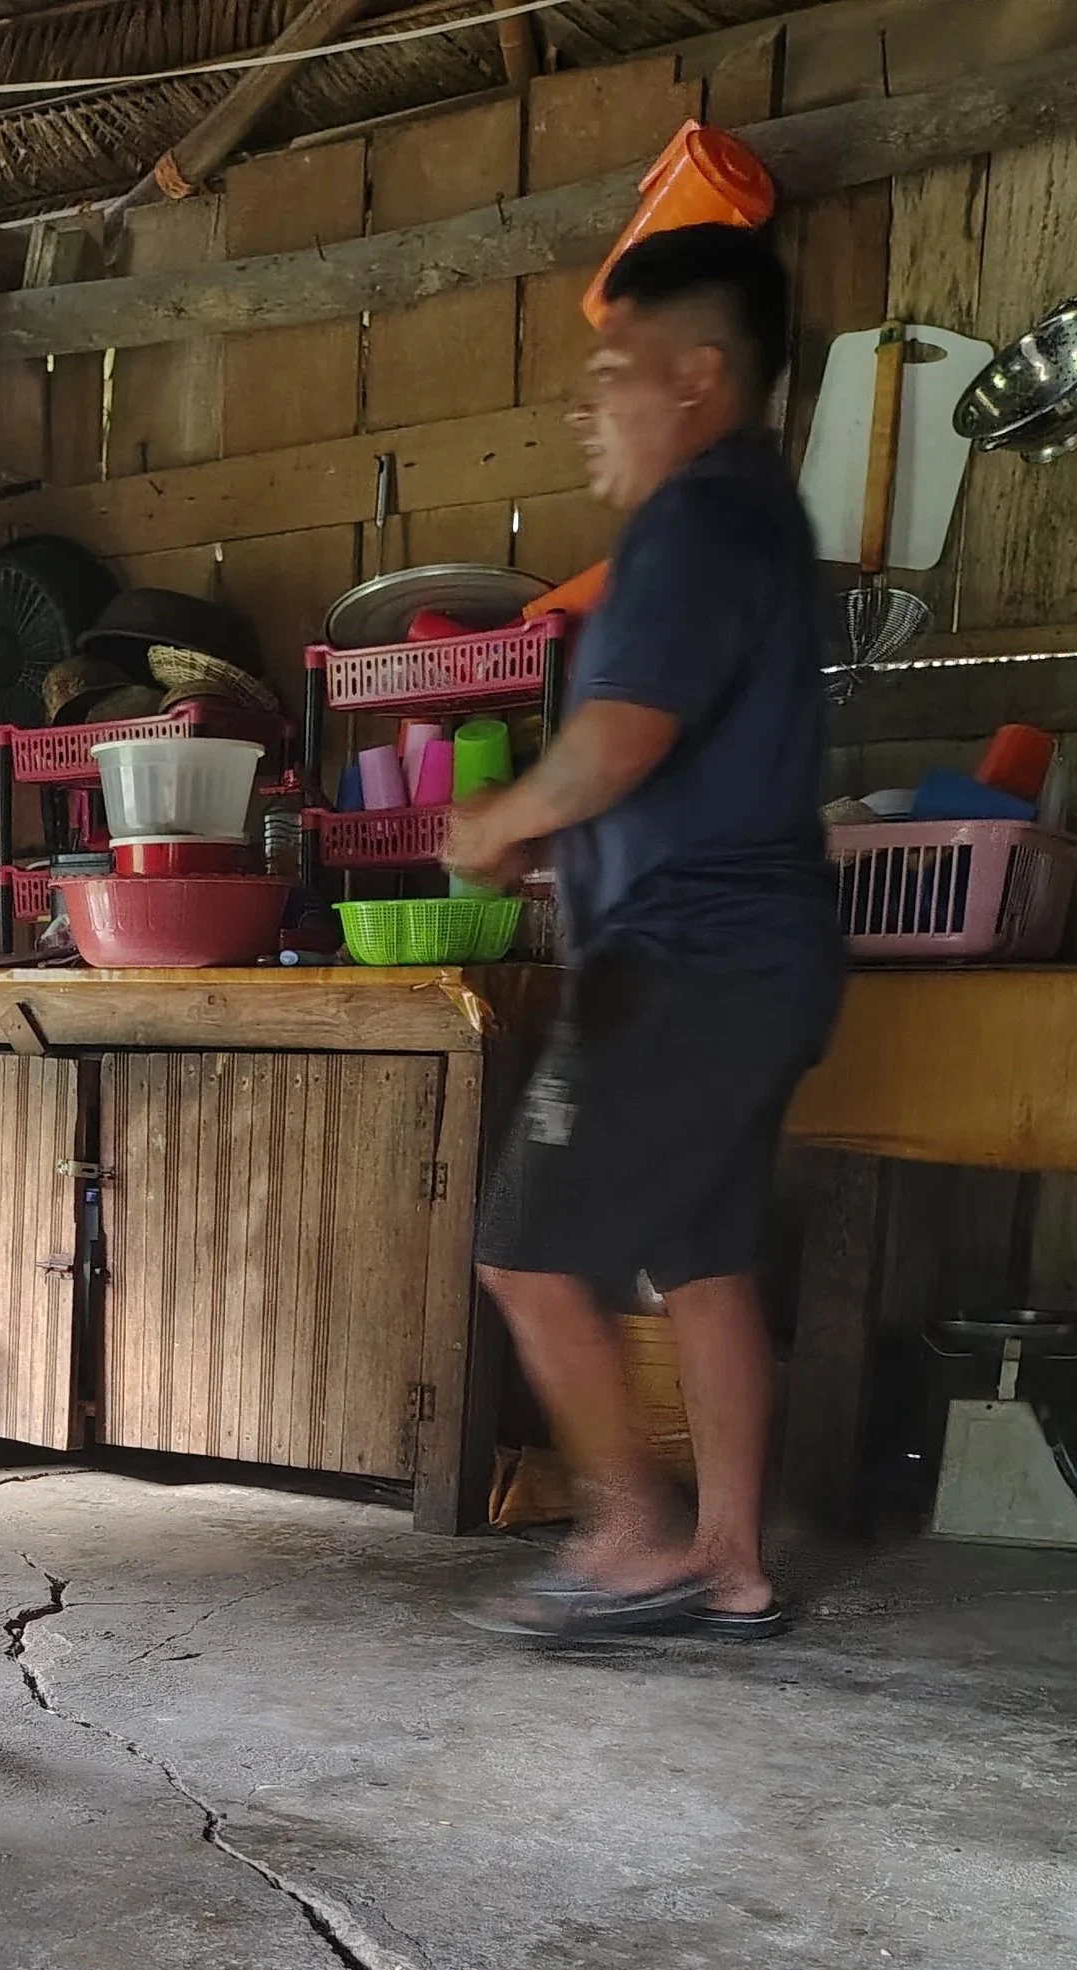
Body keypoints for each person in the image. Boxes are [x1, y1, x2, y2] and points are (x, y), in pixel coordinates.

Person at [449, 223, 843, 1640]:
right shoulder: (761, 517)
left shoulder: (688, 524)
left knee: (526, 1246)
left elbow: (618, 743)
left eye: (610, 371)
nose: (587, 404)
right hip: (769, 960)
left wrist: (497, 821)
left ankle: (633, 1534)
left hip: (685, 962)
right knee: (708, 1262)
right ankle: (733, 1562)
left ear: (694, 376)